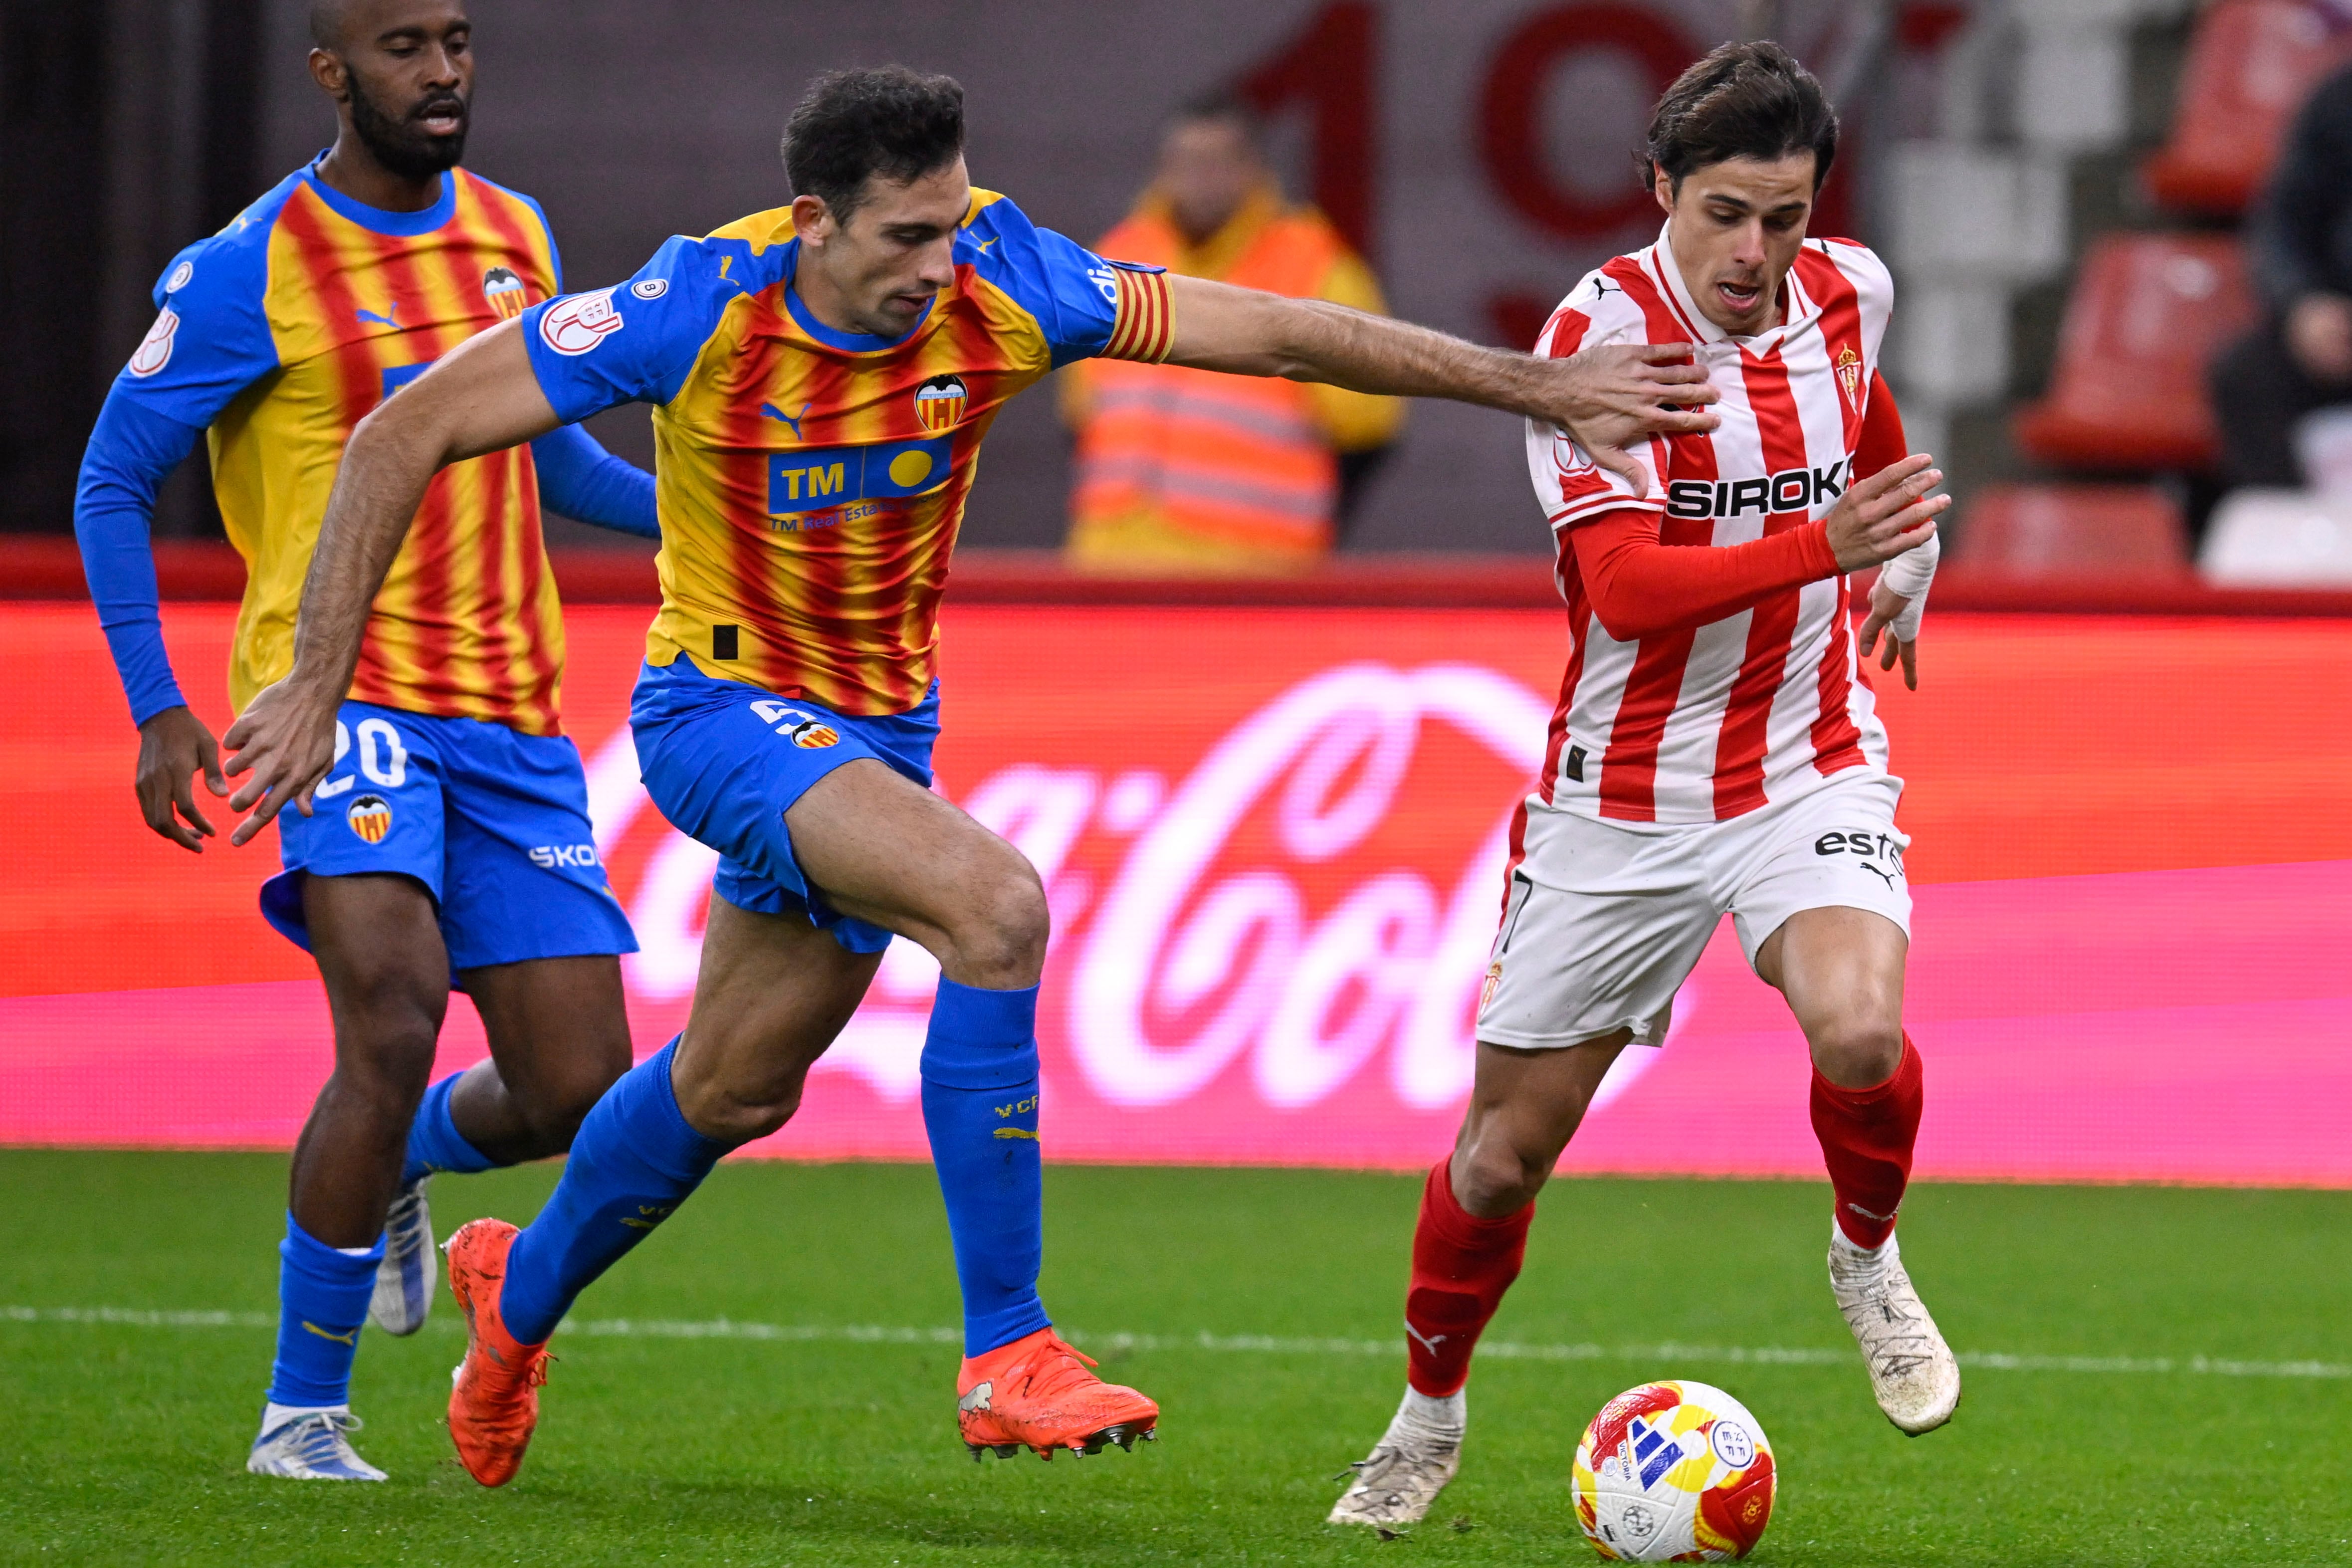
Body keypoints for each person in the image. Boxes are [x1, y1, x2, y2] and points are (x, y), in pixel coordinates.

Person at [216, 64, 1720, 1490]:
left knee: (733, 1086)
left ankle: (512, 1299)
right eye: (906, 235)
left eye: (952, 221)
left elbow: (1282, 335)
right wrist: (314, 673)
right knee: (993, 906)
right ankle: (1005, 1343)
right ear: (809, 223)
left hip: (878, 733)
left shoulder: (1017, 279)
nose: (942, 261)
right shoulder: (692, 304)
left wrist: (1534, 387)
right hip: (719, 708)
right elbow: (402, 427)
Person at [1325, 41, 1959, 1531]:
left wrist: (1903, 545)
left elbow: (1861, 431)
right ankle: (1426, 1411)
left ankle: (1861, 1257)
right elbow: (1619, 588)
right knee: (1498, 1158)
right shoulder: (1594, 343)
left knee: (1859, 1027)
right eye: (1723, 213)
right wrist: (1831, 545)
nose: (1753, 252)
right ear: (1660, 190)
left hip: (1805, 754)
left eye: (1783, 217)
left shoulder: (1845, 294)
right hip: (1623, 794)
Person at [71, 0, 655, 1482]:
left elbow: (558, 451)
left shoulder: (517, 235)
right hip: (338, 704)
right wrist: (156, 709)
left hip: (514, 715)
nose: (442, 70)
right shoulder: (243, 269)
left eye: (456, 39)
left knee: (580, 1086)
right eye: (402, 46)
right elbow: (110, 484)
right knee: (388, 1018)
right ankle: (301, 1418)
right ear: (331, 72)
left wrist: (708, 516)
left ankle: (410, 1156)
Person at [1060, 92, 1404, 571]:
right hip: (1110, 567)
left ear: (1254, 168)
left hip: (1250, 575)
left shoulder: (1315, 268)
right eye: (1185, 161)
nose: (1199, 178)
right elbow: (1081, 416)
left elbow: (1369, 432)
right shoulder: (1115, 259)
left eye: (1217, 162)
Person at [2211, 58, 2352, 492]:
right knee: (2248, 372)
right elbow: (2282, 222)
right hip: (2338, 323)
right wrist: (2303, 303)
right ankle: (2294, 537)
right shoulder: (2338, 101)